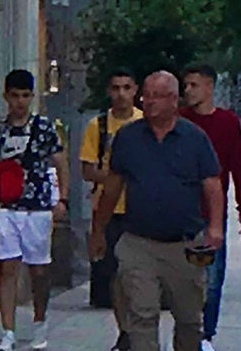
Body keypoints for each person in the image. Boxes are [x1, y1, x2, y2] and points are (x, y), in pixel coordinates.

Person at [89, 70, 224, 351]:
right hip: (139, 242)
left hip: (184, 244)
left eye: (156, 96)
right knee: (141, 315)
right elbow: (113, 186)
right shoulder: (128, 137)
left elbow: (212, 185)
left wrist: (215, 227)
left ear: (173, 100)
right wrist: (99, 229)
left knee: (189, 321)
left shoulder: (194, 138)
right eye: (146, 95)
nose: (148, 102)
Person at [0, 70, 70, 351]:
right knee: (7, 268)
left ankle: (40, 321)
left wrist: (62, 199)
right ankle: (8, 332)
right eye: (15, 96)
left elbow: (61, 163)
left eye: (25, 96)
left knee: (39, 271)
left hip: (37, 207)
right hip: (5, 206)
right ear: (6, 97)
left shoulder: (45, 128)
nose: (20, 102)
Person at [181, 64, 241, 351]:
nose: (188, 90)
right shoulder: (180, 120)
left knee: (213, 277)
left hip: (212, 212)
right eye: (186, 85)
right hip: (181, 211)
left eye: (194, 85)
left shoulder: (227, 122)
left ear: (210, 87)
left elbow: (237, 166)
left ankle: (206, 334)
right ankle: (188, 329)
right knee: (183, 278)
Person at [81, 69, 140, 351]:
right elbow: (87, 170)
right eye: (116, 87)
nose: (121, 94)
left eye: (126, 87)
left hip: (141, 209)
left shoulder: (145, 122)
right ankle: (125, 330)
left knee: (138, 273)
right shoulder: (99, 126)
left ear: (135, 90)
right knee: (115, 273)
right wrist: (117, 176)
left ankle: (138, 326)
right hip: (108, 209)